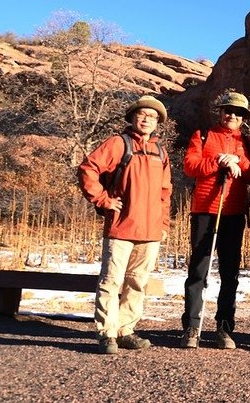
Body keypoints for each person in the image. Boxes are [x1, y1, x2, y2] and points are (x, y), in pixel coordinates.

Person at [78, 95, 172, 355]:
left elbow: (165, 191)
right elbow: (88, 168)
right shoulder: (119, 143)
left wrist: (163, 223)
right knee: (111, 281)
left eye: (152, 117)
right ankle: (107, 333)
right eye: (142, 114)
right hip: (121, 227)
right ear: (132, 117)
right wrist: (102, 199)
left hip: (150, 231)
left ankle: (125, 329)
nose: (146, 119)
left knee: (137, 283)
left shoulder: (160, 152)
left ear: (157, 123)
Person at [181, 91, 250, 349]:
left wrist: (239, 159)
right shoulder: (203, 136)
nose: (232, 116)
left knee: (230, 273)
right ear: (220, 112)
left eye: (238, 113)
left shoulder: (248, 143)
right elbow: (190, 166)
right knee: (199, 270)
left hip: (234, 213)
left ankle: (224, 327)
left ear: (243, 118)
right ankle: (192, 326)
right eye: (228, 110)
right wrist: (218, 161)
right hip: (205, 210)